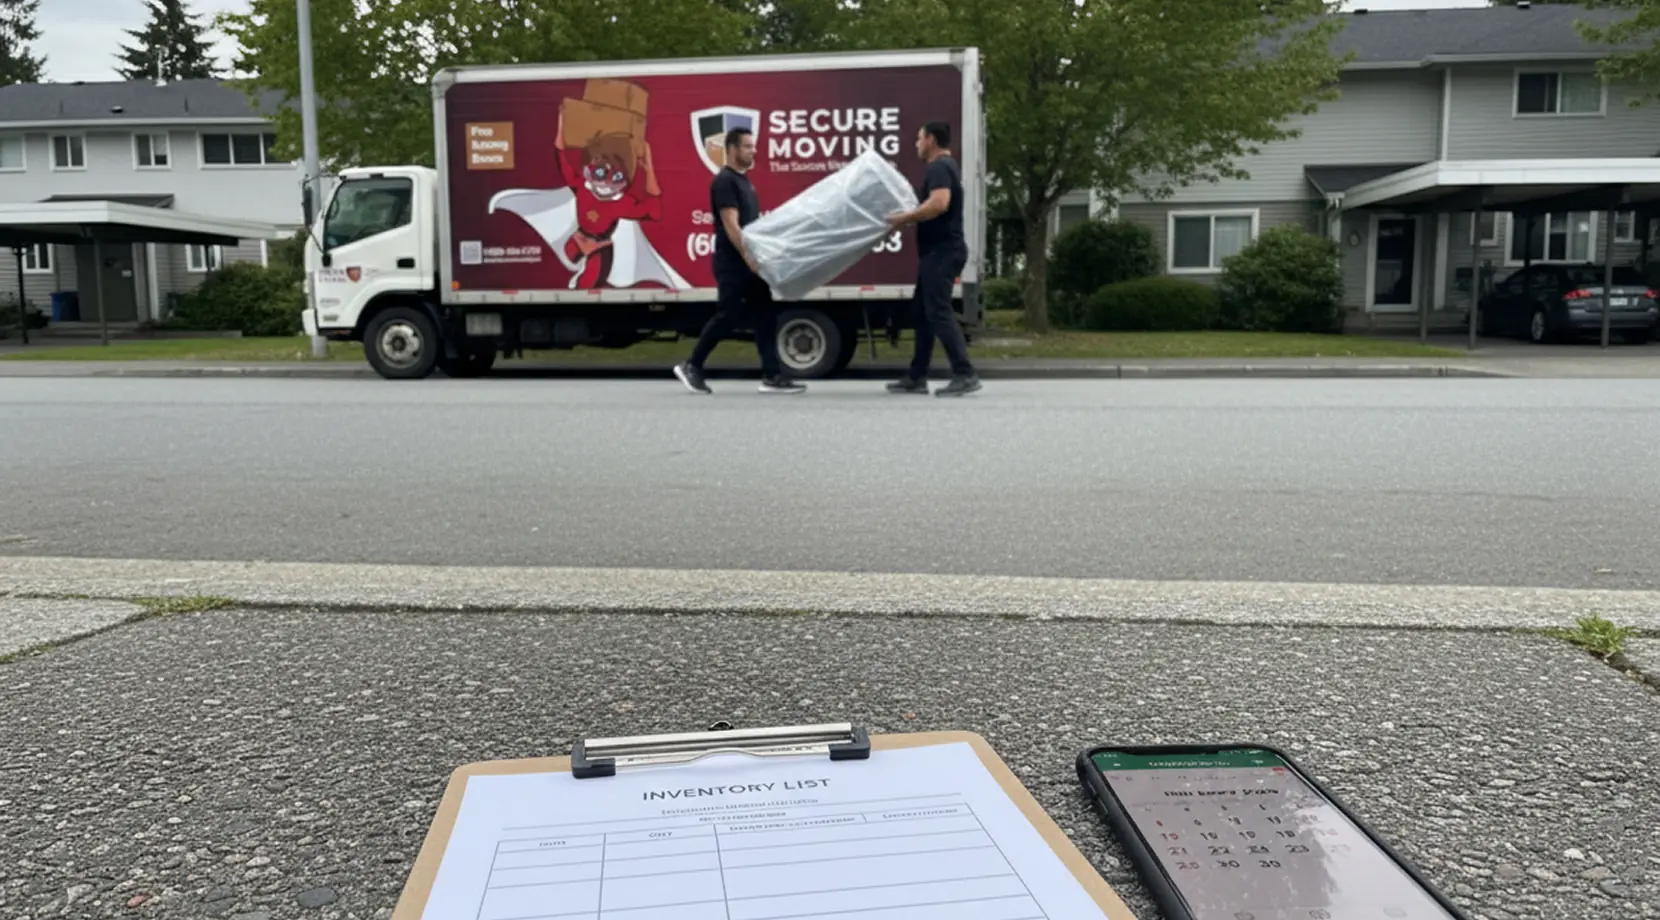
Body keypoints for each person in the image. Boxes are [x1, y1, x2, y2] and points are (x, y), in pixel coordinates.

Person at [674, 128, 804, 395]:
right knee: (728, 315)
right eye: (747, 146)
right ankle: (692, 365)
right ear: (732, 149)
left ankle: (772, 375)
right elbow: (731, 225)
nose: (753, 151)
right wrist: (748, 256)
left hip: (750, 262)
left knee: (766, 316)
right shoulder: (725, 182)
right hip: (733, 263)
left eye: (753, 146)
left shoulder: (746, 182)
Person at [885, 120, 981, 397]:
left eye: (919, 138)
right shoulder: (945, 167)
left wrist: (905, 219)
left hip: (943, 251)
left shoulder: (939, 167)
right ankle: (917, 377)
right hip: (936, 252)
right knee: (922, 314)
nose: (916, 144)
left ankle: (965, 373)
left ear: (931, 140)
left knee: (938, 312)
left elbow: (939, 204)